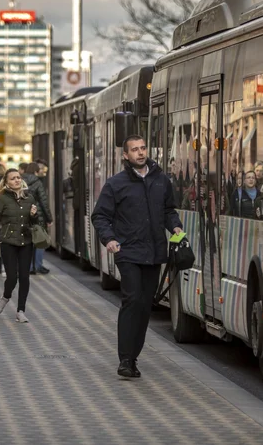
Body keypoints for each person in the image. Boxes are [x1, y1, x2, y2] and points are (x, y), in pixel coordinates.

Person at [91, 135, 183, 378]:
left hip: (154, 253)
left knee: (144, 306)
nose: (140, 153)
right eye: (134, 150)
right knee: (131, 300)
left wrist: (175, 226)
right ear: (126, 155)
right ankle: (125, 359)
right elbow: (100, 216)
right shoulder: (116, 183)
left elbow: (168, 210)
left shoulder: (161, 180)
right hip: (127, 251)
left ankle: (133, 357)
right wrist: (109, 239)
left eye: (143, 148)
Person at [0, 169, 38, 323]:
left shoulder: (29, 197)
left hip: (26, 242)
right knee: (12, 277)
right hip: (8, 242)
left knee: (24, 277)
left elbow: (35, 224)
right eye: (13, 178)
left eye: (18, 178)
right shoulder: (2, 199)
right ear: (6, 182)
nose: (17, 180)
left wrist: (34, 215)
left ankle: (21, 311)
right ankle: (6, 296)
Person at [23, 162, 52, 275]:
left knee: (28, 242)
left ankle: (29, 267)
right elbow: (43, 202)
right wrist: (49, 218)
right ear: (36, 171)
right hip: (38, 215)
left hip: (24, 214)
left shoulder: (20, 181)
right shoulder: (38, 182)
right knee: (40, 240)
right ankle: (38, 265)